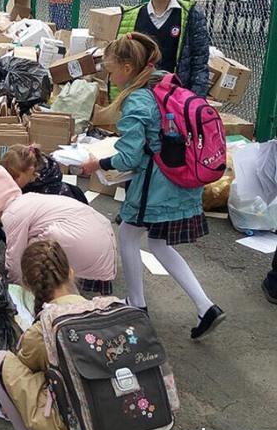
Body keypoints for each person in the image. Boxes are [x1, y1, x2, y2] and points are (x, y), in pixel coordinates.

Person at [82, 32, 225, 339]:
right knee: (159, 244)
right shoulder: (162, 83)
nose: (109, 77)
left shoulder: (137, 99)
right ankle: (206, 306)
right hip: (180, 176)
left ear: (127, 68)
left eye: (111, 71)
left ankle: (137, 304)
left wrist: (98, 164)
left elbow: (130, 156)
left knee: (128, 234)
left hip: (156, 185)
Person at [0, 240, 159, 430]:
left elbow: (23, 367)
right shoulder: (113, 309)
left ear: (28, 286)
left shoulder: (44, 329)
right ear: (71, 272)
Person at [0, 161, 116, 292]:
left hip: (87, 247)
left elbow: (14, 257)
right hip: (103, 240)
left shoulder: (11, 214)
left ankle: (51, 290)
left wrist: (15, 289)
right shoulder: (28, 198)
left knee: (33, 251)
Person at [0, 145, 88, 273]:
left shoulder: (58, 192)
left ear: (30, 171)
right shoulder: (15, 184)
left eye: (14, 177)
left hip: (56, 246)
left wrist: (18, 273)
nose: (9, 181)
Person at [117, 0, 210, 96]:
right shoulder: (133, 16)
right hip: (139, 93)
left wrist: (196, 98)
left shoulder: (191, 16)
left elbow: (200, 62)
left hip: (175, 94)